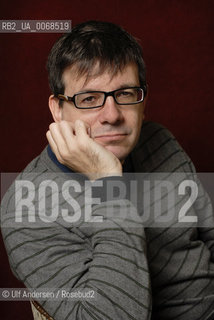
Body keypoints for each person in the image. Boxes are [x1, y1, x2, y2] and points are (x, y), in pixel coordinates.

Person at [1, 20, 214, 320]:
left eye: (126, 94)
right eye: (89, 99)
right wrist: (106, 181)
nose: (112, 115)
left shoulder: (159, 141)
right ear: (57, 109)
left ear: (143, 101)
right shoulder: (27, 207)